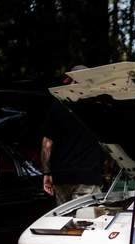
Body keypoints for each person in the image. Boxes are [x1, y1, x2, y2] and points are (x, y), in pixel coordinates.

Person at [41, 66, 103, 205]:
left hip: (62, 177)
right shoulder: (96, 106)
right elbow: (106, 141)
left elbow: (47, 144)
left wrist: (46, 173)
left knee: (64, 221)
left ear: (69, 81)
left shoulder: (57, 106)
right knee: (86, 222)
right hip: (87, 177)